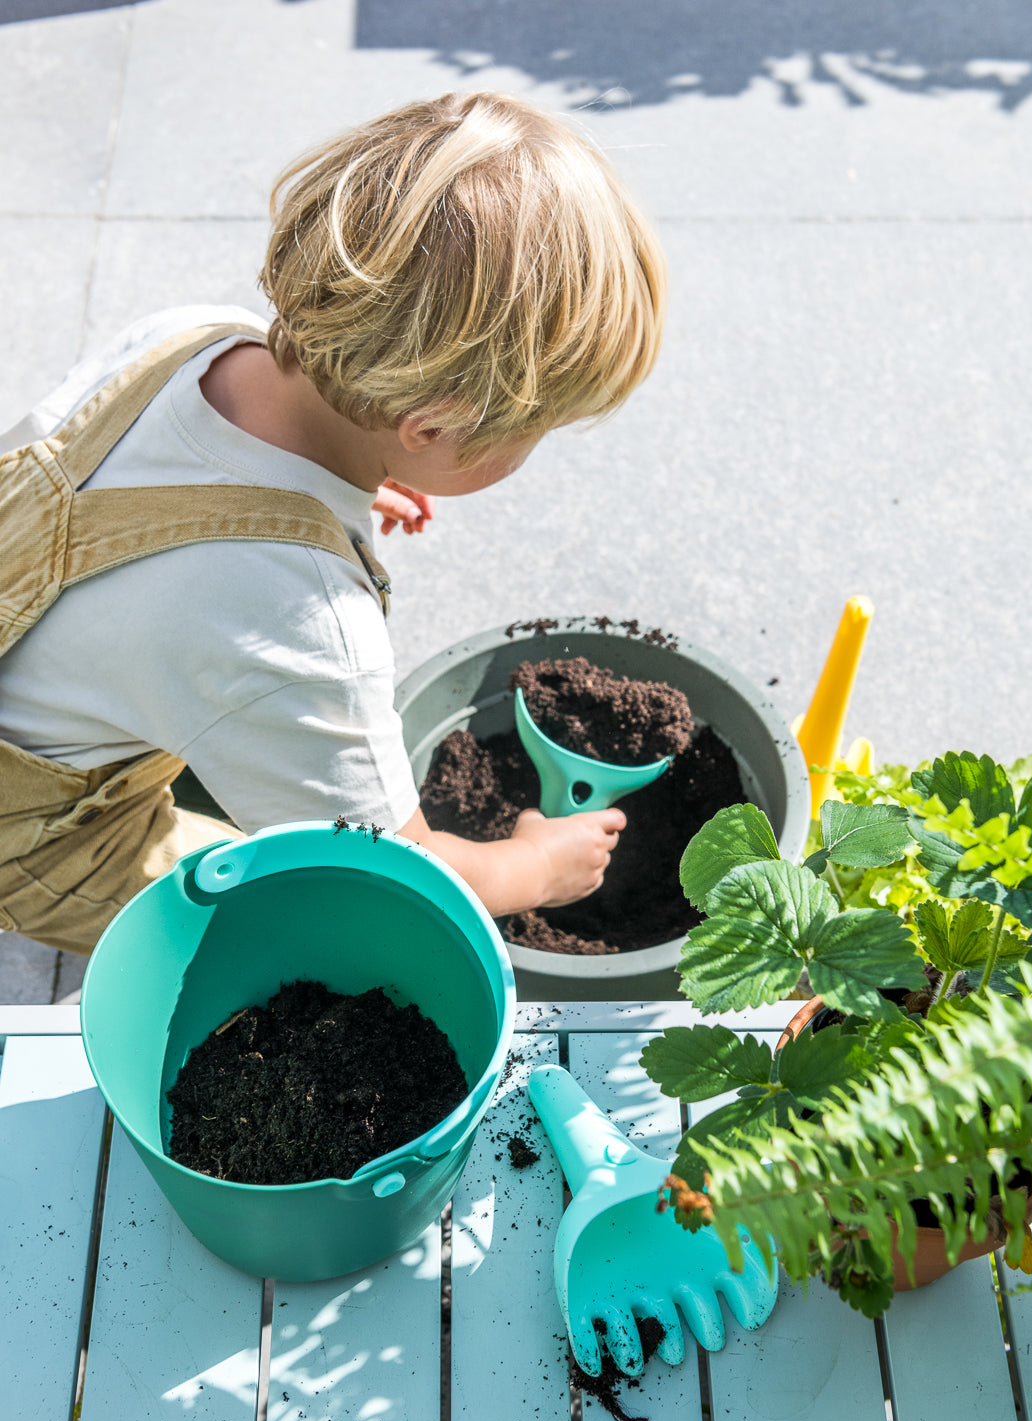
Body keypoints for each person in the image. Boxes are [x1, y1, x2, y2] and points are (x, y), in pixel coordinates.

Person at [0, 91, 667, 956]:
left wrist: (334, 486)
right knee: (314, 925)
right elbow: (397, 869)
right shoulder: (302, 629)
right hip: (34, 839)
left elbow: (142, 501)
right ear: (427, 430)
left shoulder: (195, 338)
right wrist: (530, 868)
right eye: (536, 432)